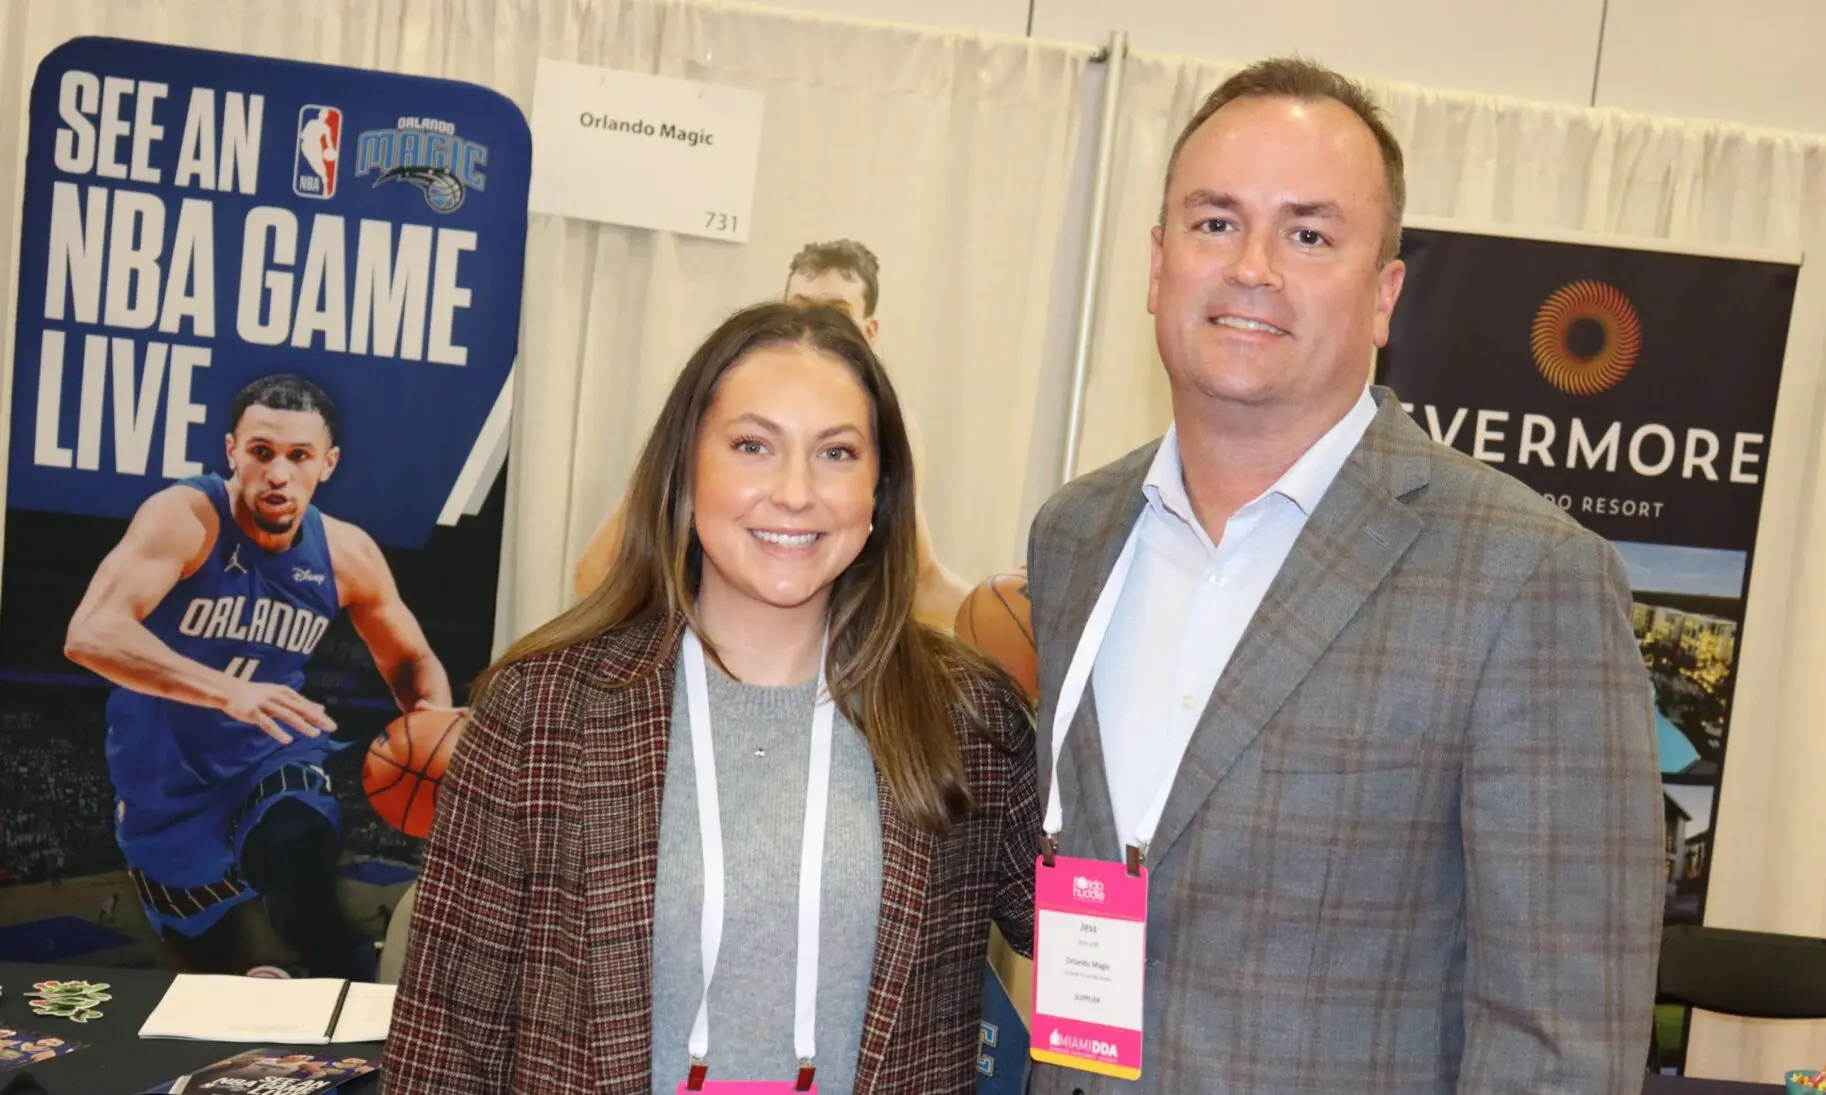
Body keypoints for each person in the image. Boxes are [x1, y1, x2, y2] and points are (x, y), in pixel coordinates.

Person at [1023, 57, 1664, 1093]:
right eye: (1215, 222)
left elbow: (1561, 1045)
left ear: (1383, 294)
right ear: (1155, 265)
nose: (1252, 268)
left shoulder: (1525, 579)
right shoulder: (1076, 538)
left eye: (1309, 234)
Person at [384, 301, 1041, 1094]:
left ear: (880, 492)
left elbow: (1098, 939)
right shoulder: (543, 711)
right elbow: (447, 1035)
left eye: (837, 452)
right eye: (753, 446)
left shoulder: (966, 717)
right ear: (687, 473)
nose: (795, 492)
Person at [64, 373, 453, 981]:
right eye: (261, 452)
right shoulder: (186, 516)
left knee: (303, 885)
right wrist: (229, 691)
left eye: (299, 457)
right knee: (213, 970)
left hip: (269, 757)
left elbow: (410, 662)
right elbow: (91, 633)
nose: (278, 474)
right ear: (231, 453)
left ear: (327, 464)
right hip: (164, 787)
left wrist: (433, 724)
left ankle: (367, 1029)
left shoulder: (346, 554)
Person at [573, 239, 975, 631]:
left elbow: (918, 581)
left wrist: (1020, 621)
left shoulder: (893, 431)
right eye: (753, 446)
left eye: (837, 453)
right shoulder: (718, 405)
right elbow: (599, 575)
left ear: (869, 331)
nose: (815, 328)